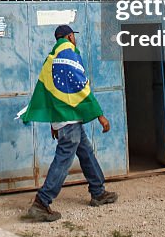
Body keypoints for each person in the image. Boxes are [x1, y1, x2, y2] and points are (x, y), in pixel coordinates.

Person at [21, 24, 118, 222]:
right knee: (64, 159)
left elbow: (48, 91)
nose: (75, 39)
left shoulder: (51, 58)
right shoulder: (69, 53)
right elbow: (81, 86)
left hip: (63, 118)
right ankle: (42, 202)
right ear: (70, 36)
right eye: (74, 36)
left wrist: (53, 122)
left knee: (86, 153)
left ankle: (98, 192)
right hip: (70, 119)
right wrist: (99, 114)